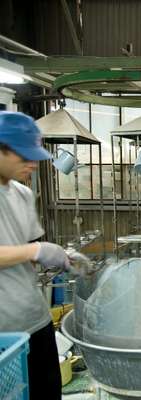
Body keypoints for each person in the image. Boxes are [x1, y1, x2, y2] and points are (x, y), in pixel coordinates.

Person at [0, 111, 70, 399]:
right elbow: (30, 249)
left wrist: (64, 256)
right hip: (4, 335)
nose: (32, 163)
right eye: (23, 156)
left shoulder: (22, 194)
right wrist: (36, 250)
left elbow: (25, 248)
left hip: (35, 320)